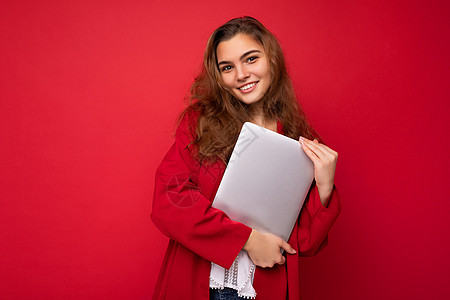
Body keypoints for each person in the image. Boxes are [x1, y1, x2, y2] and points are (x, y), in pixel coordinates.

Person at [151, 16, 341, 300]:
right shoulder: (199, 123)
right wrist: (247, 240)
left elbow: (302, 243)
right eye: (227, 67)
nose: (241, 74)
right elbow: (169, 201)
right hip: (201, 285)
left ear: (272, 60)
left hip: (262, 290)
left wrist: (325, 188)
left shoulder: (296, 136)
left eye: (251, 59)